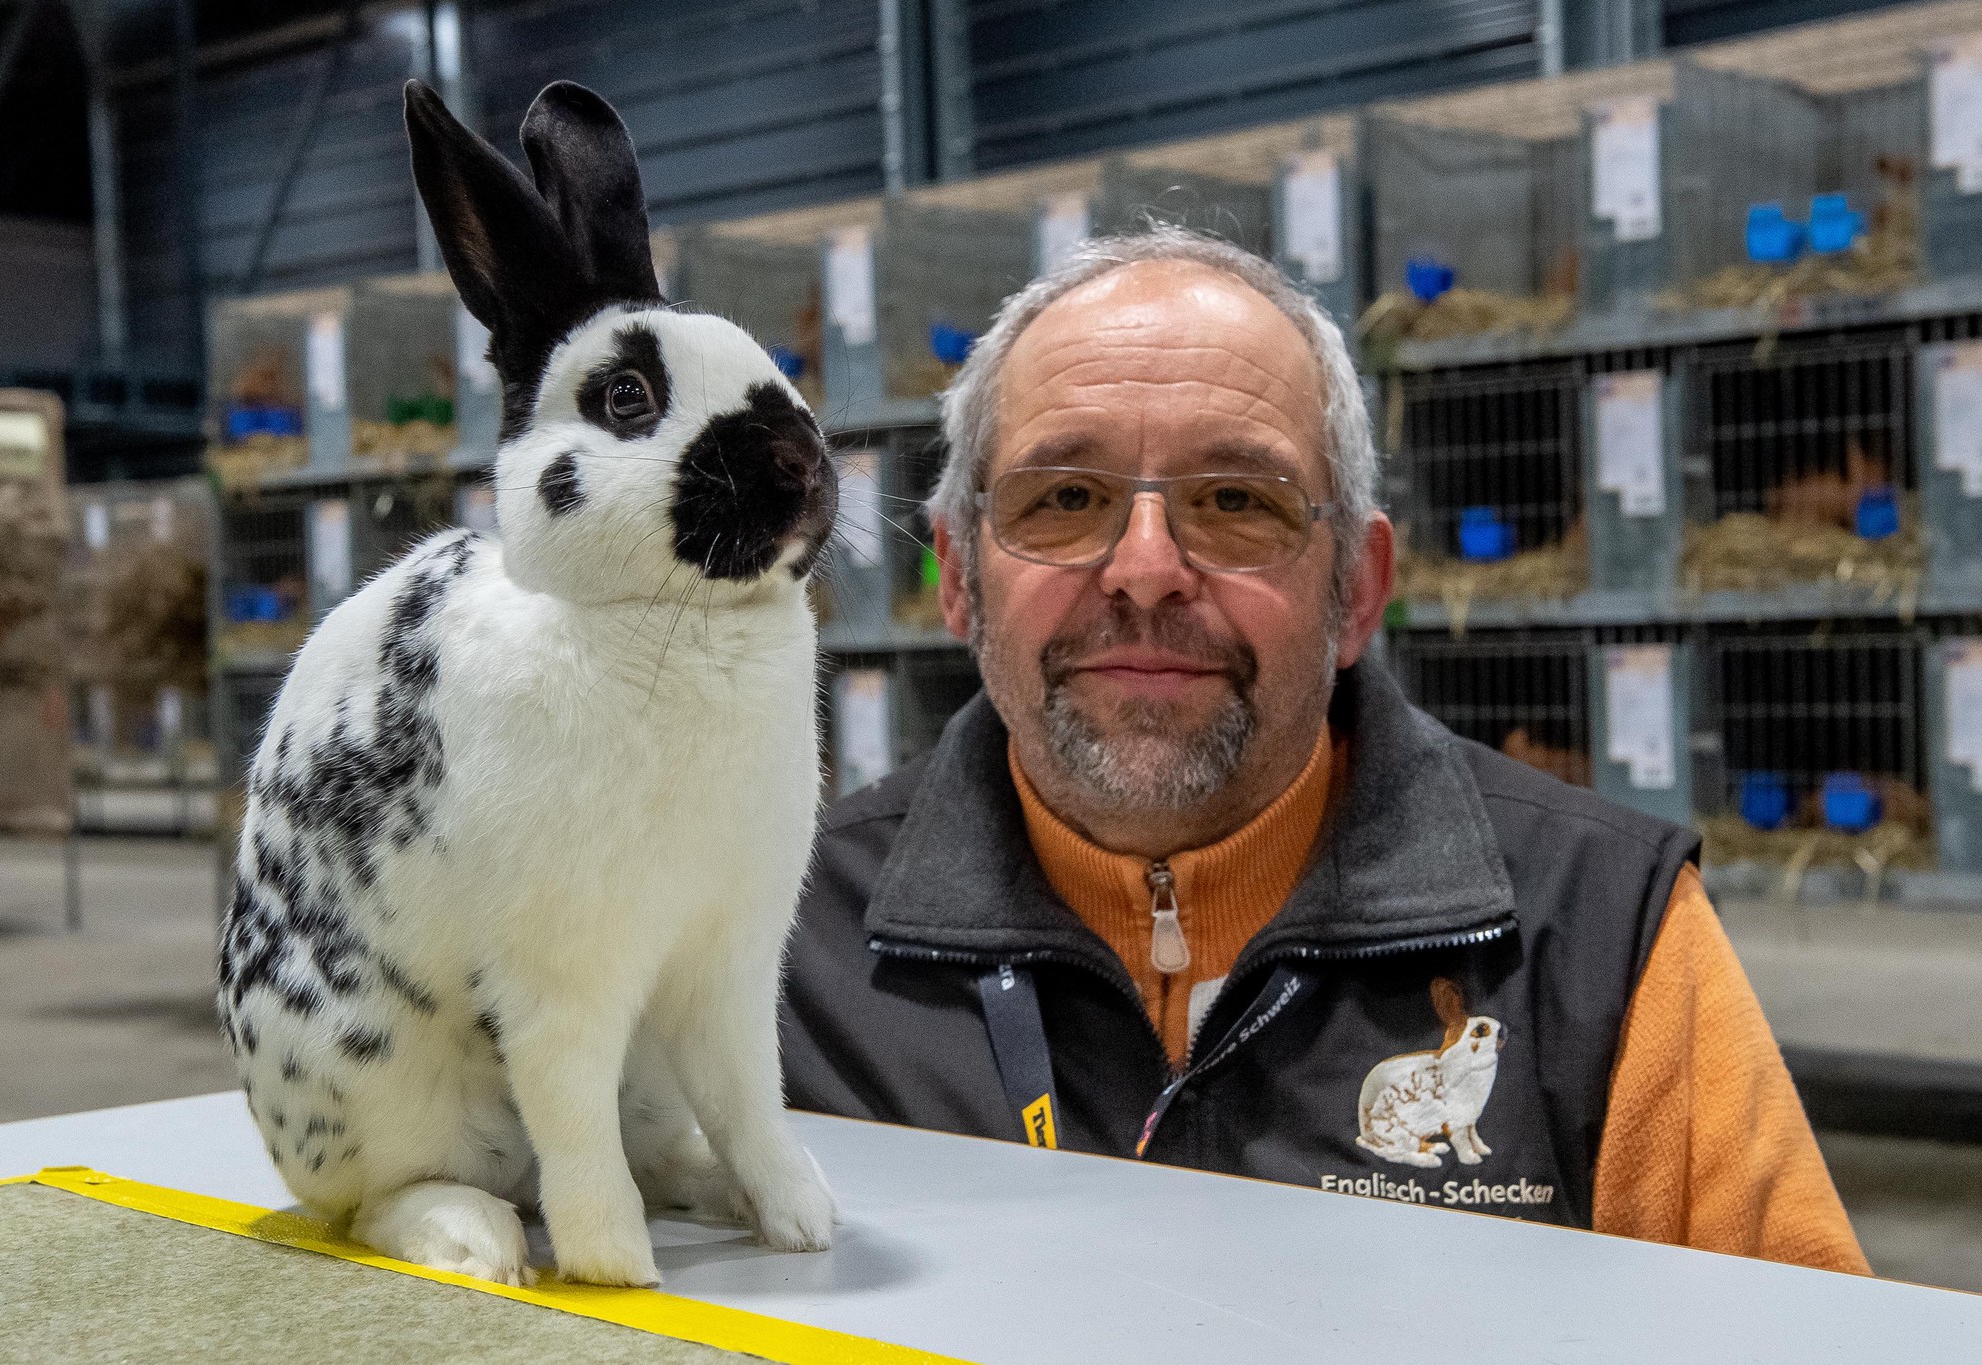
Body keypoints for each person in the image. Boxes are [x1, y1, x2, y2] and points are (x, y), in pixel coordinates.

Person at [780, 226, 1867, 1273]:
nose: (1145, 569)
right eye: (1065, 498)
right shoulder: (782, 946)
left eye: (1235, 501)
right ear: (960, 578)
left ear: (1355, 589)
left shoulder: (1600, 934)